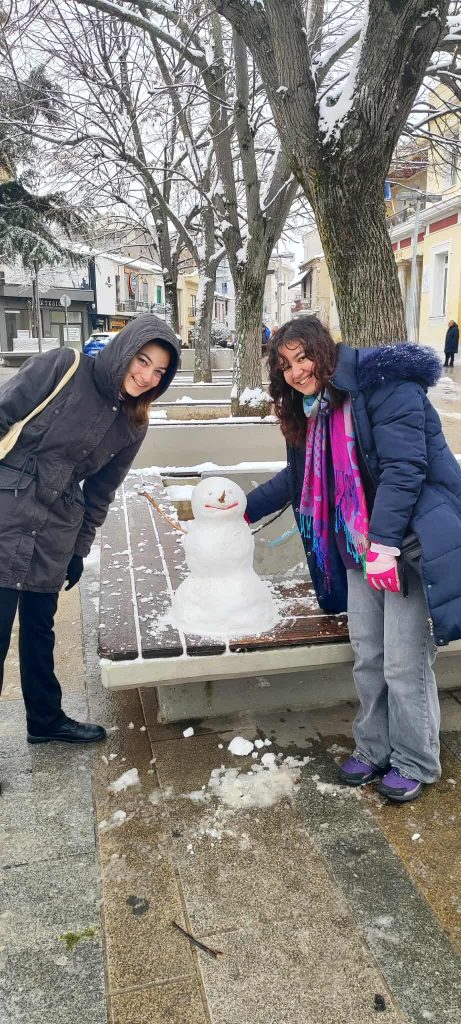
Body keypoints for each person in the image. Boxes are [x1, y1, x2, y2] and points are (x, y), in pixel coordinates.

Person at [245, 316, 461, 803]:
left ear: (325, 350)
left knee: (405, 661)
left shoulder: (385, 385)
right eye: (286, 364)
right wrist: (242, 509)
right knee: (369, 655)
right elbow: (297, 477)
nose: (297, 371)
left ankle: (415, 759)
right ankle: (373, 746)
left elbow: (406, 469)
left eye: (303, 357)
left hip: (406, 542)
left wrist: (384, 546)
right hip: (359, 547)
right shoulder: (312, 411)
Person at [0, 313, 179, 753]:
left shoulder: (134, 422)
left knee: (40, 628)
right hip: (7, 510)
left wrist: (79, 548)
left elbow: (101, 491)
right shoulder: (63, 367)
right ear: (125, 349)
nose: (146, 376)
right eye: (142, 360)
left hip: (56, 527)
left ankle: (45, 719)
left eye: (158, 371)